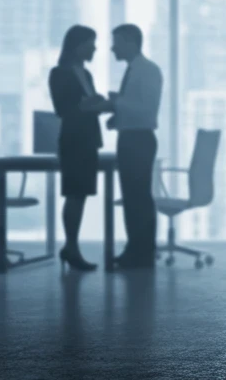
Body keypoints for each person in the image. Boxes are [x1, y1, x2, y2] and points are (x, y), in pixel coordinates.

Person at [48, 26, 111, 271]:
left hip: (88, 141)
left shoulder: (86, 74)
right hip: (73, 141)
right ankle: (71, 247)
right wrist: (88, 106)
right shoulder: (59, 73)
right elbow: (62, 110)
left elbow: (86, 106)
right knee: (74, 194)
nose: (94, 48)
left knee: (80, 195)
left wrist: (101, 105)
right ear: (77, 45)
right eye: (90, 43)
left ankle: (70, 247)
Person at [107, 24, 163, 270]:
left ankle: (142, 252)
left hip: (139, 140)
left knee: (138, 197)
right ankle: (136, 249)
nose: (112, 47)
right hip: (129, 138)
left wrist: (116, 102)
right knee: (132, 198)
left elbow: (148, 110)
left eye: (116, 41)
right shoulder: (134, 70)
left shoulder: (148, 70)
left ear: (130, 41)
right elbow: (135, 107)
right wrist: (115, 115)